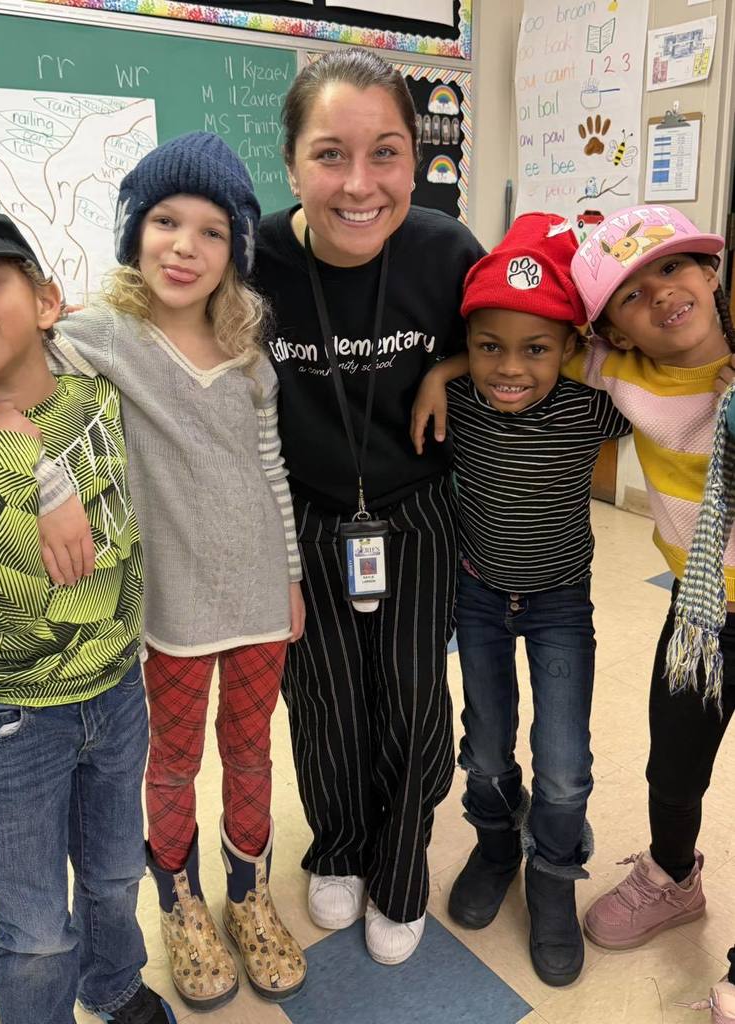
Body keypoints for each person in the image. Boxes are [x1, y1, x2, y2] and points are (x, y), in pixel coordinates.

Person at [0, 134, 307, 1010]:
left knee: (249, 755)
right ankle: (178, 899)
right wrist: (24, 453)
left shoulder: (251, 353)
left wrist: (287, 575)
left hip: (255, 603)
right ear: (135, 234)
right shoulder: (97, 336)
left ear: (235, 252)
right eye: (166, 221)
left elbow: (271, 470)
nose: (185, 246)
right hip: (164, 613)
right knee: (168, 767)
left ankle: (247, 893)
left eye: (212, 232)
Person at [0, 209, 172, 1024]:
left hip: (118, 694)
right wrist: (28, 468)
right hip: (14, 719)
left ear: (46, 299)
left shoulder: (97, 392)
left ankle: (113, 983)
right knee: (35, 928)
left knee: (118, 877)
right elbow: (2, 606)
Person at [253, 48, 484, 964]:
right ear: (290, 162)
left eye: (385, 153)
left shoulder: (444, 248)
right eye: (329, 155)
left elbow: (530, 344)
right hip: (302, 520)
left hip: (418, 512)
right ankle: (339, 845)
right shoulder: (253, 257)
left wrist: (453, 363)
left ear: (413, 158)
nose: (359, 184)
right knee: (322, 702)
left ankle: (399, 863)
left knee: (415, 702)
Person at [410, 212, 630, 986]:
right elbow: (439, 371)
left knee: (565, 767)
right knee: (486, 744)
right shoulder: (460, 397)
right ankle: (498, 845)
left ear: (570, 348)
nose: (509, 368)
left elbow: (649, 376)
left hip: (560, 601)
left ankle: (551, 879)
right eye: (487, 347)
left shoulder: (590, 410)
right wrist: (441, 372)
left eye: (536, 348)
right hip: (477, 595)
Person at [566, 204, 735, 1022]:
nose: (661, 293)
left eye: (672, 268)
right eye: (631, 295)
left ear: (708, 273)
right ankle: (672, 875)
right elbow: (520, 333)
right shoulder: (618, 373)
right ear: (617, 333)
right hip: (701, 619)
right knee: (671, 765)